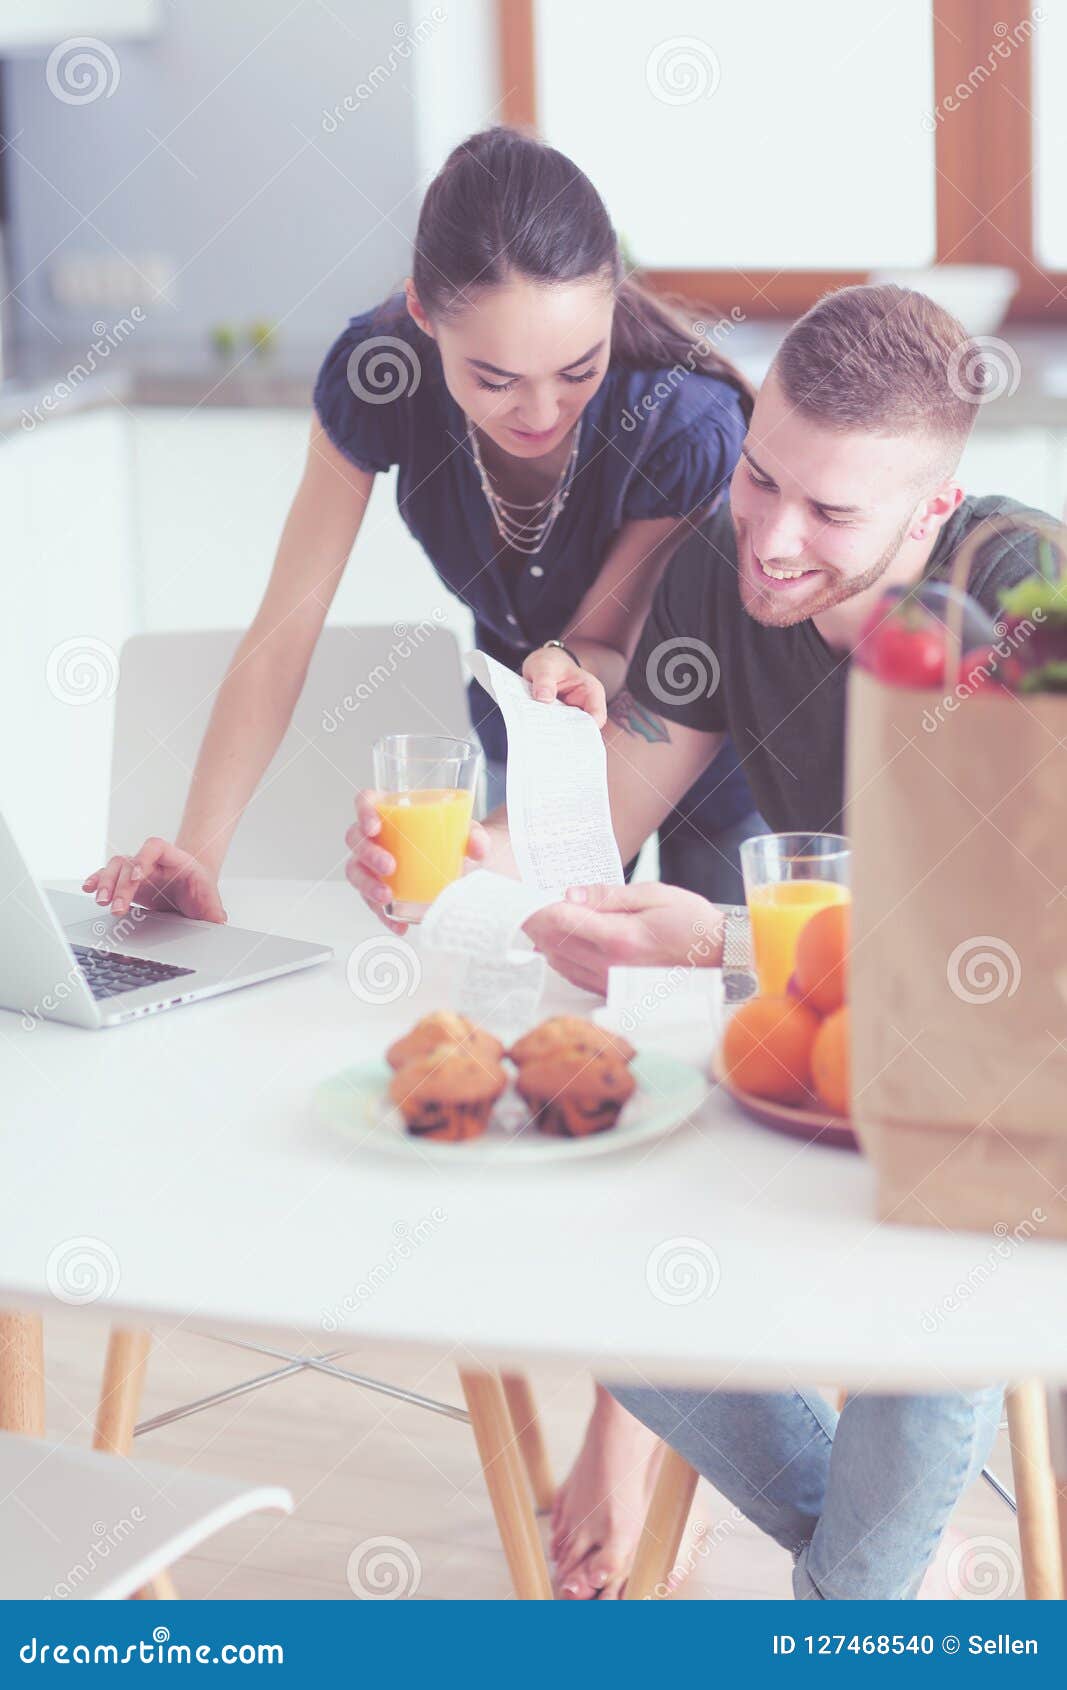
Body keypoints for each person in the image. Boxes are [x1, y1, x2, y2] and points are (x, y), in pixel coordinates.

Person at [82, 126, 763, 1597]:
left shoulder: (683, 422)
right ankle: (609, 1383)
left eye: (574, 371)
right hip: (540, 698)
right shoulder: (372, 378)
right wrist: (196, 854)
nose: (540, 411)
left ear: (614, 315)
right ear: (418, 319)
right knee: (542, 1028)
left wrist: (548, 768)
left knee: (664, 1060)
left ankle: (633, 1430)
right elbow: (284, 631)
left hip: (692, 712)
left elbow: (618, 654)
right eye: (495, 376)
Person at [350, 282, 1058, 1597]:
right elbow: (595, 828)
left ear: (932, 511)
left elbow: (1015, 936)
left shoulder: (1026, 599)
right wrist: (436, 872)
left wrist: (720, 942)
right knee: (579, 1254)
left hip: (1004, 1095)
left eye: (832, 512)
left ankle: (848, 1601)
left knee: (934, 1286)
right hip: (821, 1068)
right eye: (760, 479)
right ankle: (860, 1566)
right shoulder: (719, 582)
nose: (774, 538)